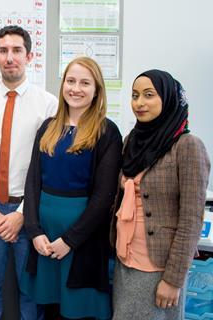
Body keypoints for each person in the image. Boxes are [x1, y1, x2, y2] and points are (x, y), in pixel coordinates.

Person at [0, 25, 58, 320]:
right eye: (3, 51)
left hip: (30, 212)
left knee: (31, 292)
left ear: (29, 56)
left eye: (17, 50)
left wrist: (21, 213)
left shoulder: (49, 105)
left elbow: (48, 165)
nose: (10, 57)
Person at [19, 56, 122, 320]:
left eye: (85, 83)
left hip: (82, 239)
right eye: (71, 81)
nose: (76, 88)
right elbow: (33, 182)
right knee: (50, 307)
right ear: (63, 84)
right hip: (45, 235)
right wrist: (34, 231)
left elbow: (104, 197)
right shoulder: (48, 127)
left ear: (97, 90)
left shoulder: (107, 132)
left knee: (78, 309)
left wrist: (70, 240)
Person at [111, 69, 210, 320]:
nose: (139, 103)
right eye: (135, 96)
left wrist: (173, 280)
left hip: (159, 267)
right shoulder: (132, 141)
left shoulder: (187, 147)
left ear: (168, 99)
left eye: (149, 95)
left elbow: (191, 220)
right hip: (126, 259)